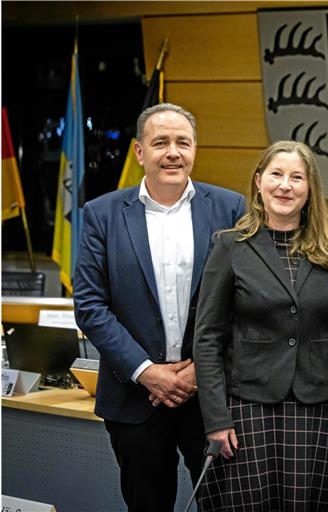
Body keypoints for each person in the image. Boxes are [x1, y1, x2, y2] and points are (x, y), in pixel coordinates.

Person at [74, 103, 245, 511]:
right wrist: (146, 371)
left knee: (224, 504)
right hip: (134, 400)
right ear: (139, 152)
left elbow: (246, 302)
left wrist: (201, 370)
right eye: (161, 142)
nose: (173, 152)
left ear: (195, 149)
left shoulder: (230, 209)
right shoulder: (102, 214)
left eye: (183, 142)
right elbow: (90, 305)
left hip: (212, 398)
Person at [193, 140, 328, 511]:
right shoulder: (230, 246)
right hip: (246, 409)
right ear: (258, 181)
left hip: (317, 410)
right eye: (276, 175)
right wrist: (216, 419)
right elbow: (207, 339)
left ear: (310, 188)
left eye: (297, 177)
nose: (285, 185)